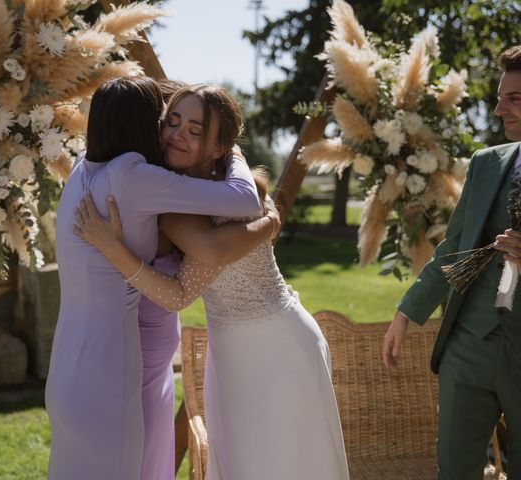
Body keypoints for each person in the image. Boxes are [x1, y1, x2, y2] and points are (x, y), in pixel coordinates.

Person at [74, 84, 350, 480]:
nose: (177, 135)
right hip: (232, 349)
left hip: (278, 347)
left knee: (289, 465)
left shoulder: (218, 196)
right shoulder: (177, 192)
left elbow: (187, 283)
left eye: (195, 130)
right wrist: (269, 220)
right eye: (173, 122)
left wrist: (114, 250)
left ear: (218, 147)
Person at [45, 76, 272, 479]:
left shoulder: (82, 169)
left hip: (65, 365)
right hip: (109, 367)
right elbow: (242, 198)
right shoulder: (131, 173)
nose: (166, 128)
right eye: (164, 118)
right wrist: (232, 152)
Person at [382, 46, 521, 479]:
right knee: (455, 469)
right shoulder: (486, 164)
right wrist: (408, 311)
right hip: (469, 343)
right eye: (500, 96)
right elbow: (455, 247)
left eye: (514, 98)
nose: (499, 108)